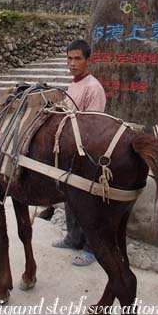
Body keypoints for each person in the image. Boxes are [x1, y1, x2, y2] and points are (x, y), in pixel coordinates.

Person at [52, 39, 106, 266]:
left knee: (87, 203)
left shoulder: (93, 88)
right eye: (69, 58)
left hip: (87, 153)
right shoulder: (73, 85)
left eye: (77, 59)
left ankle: (91, 249)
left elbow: (92, 126)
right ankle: (73, 238)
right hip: (70, 151)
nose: (72, 63)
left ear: (87, 60)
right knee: (69, 198)